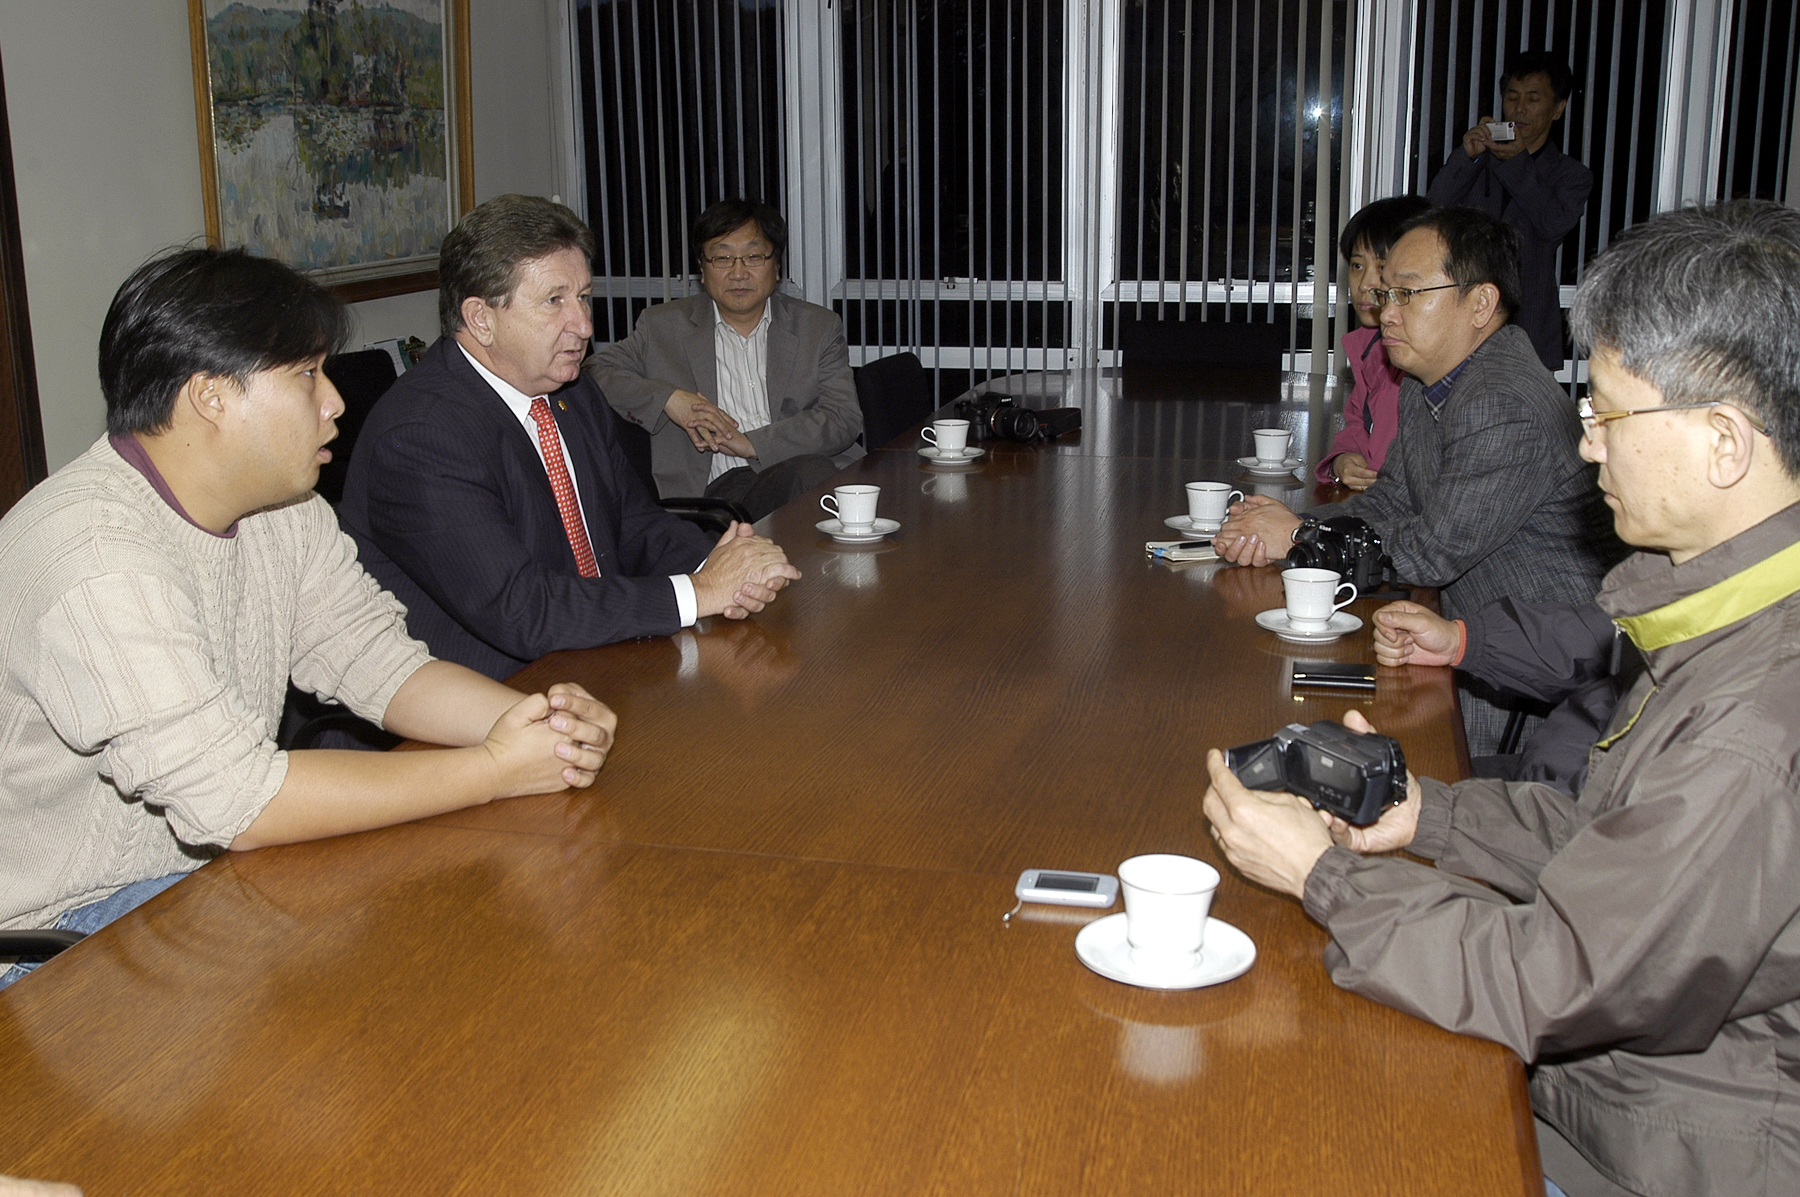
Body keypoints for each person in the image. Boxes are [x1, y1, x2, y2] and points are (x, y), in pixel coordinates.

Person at [1203, 199, 1800, 1197]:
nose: (1592, 448)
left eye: (1608, 414)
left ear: (1724, 443)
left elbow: (1561, 977)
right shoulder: (1719, 619)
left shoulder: (1755, 716)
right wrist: (1423, 812)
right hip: (1614, 1095)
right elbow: (1611, 841)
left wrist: (1325, 878)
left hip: (1661, 1148)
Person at [0, 248, 617, 982]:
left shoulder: (279, 509)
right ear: (211, 397)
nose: (334, 401)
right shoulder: (94, 558)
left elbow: (380, 663)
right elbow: (242, 802)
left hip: (206, 873)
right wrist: (493, 769)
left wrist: (540, 727)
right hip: (61, 931)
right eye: (305, 375)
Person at [338, 195, 801, 682]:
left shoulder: (570, 390)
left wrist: (726, 563)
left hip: (595, 652)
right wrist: (701, 591)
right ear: (480, 318)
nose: (583, 326)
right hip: (487, 695)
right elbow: (521, 610)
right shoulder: (421, 435)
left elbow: (633, 523)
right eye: (554, 301)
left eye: (583, 297)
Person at [1216, 205, 1617, 752]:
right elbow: (1392, 500)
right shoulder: (1429, 381)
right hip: (1463, 632)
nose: (1386, 314)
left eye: (1407, 294)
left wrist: (1298, 538)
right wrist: (1286, 525)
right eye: (1385, 295)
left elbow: (1434, 551)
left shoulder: (1503, 401)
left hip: (1533, 689)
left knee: (1310, 725)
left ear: (1481, 302)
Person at [587, 198, 864, 520]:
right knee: (813, 478)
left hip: (802, 475)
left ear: (776, 267)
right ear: (702, 270)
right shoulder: (662, 327)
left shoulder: (817, 326)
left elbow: (843, 417)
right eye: (722, 258)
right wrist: (670, 399)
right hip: (718, 496)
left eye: (753, 256)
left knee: (812, 473)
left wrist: (753, 444)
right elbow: (594, 370)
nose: (738, 272)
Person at [1427, 50, 1592, 371]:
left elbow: (1554, 224)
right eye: (1512, 97)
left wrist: (1516, 163)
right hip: (1463, 321)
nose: (1519, 108)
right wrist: (1468, 155)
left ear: (1558, 109)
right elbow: (1432, 212)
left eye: (1533, 99)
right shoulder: (1478, 160)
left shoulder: (1571, 175)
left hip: (1527, 325)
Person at [1373, 596, 1634, 791]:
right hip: (1537, 771)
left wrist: (1439, 817)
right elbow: (1587, 638)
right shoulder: (1661, 584)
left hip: (1560, 814)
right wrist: (1461, 641)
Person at [1317, 194, 1433, 490]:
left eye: (1382, 267)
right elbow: (1359, 423)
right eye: (1357, 266)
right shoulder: (1370, 345)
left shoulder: (1425, 356)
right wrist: (1342, 460)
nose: (1366, 284)